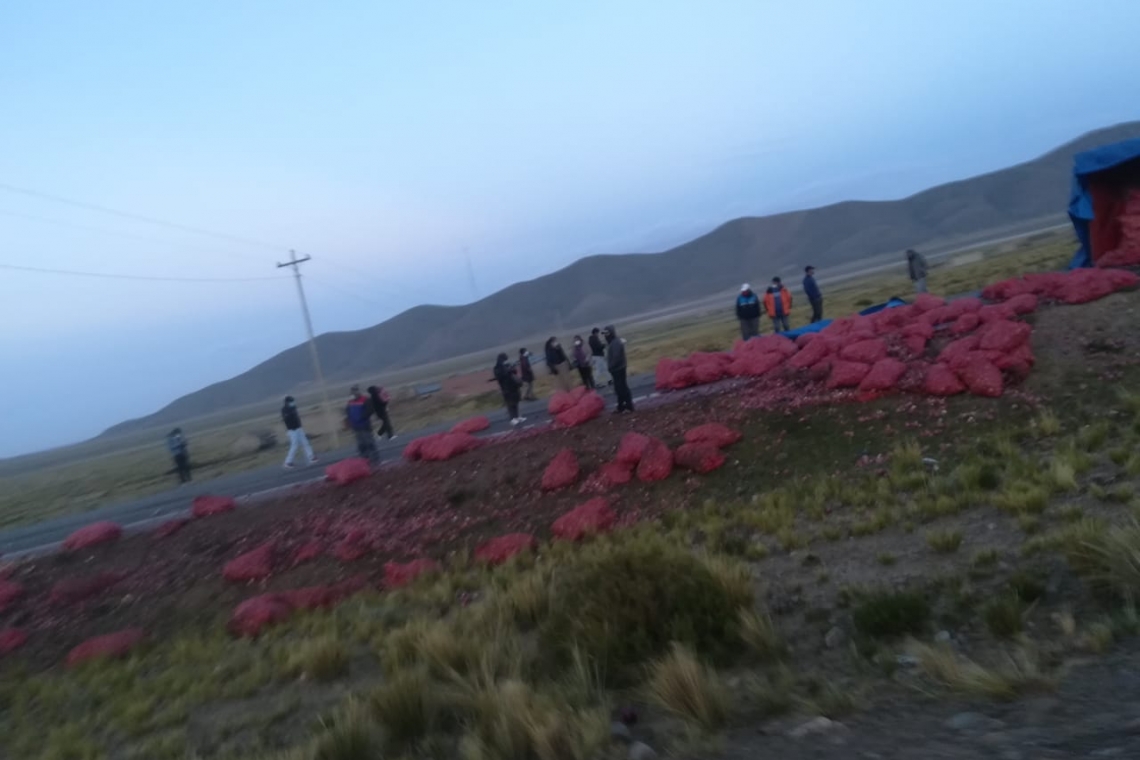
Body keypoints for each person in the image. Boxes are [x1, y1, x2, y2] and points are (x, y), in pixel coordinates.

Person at [281, 396, 318, 469]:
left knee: (305, 442)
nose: (293, 403)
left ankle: (311, 457)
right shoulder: (284, 410)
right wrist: (291, 414)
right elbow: (287, 419)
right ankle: (288, 461)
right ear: (287, 402)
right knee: (294, 445)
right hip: (292, 430)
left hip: (298, 428)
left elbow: (296, 417)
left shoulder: (293, 408)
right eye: (291, 401)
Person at [603, 325, 634, 413]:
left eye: (607, 333)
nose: (605, 336)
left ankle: (629, 406)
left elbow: (616, 357)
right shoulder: (614, 342)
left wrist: (611, 366)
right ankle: (621, 407)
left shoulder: (615, 343)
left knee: (622, 388)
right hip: (617, 369)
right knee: (619, 388)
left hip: (618, 369)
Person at [344, 386, 379, 464]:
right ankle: (364, 460)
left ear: (358, 392)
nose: (354, 394)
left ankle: (375, 460)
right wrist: (349, 421)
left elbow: (370, 409)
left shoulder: (365, 400)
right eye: (353, 392)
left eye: (355, 391)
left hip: (365, 426)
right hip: (356, 427)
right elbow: (347, 411)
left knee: (369, 443)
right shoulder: (350, 402)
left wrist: (362, 417)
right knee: (361, 445)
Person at [494, 352, 527, 426]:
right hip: (506, 387)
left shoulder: (507, 365)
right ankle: (512, 418)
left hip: (513, 386)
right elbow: (500, 377)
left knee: (516, 402)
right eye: (504, 359)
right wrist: (507, 371)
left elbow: (514, 372)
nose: (505, 361)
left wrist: (512, 368)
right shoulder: (497, 368)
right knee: (510, 403)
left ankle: (517, 416)